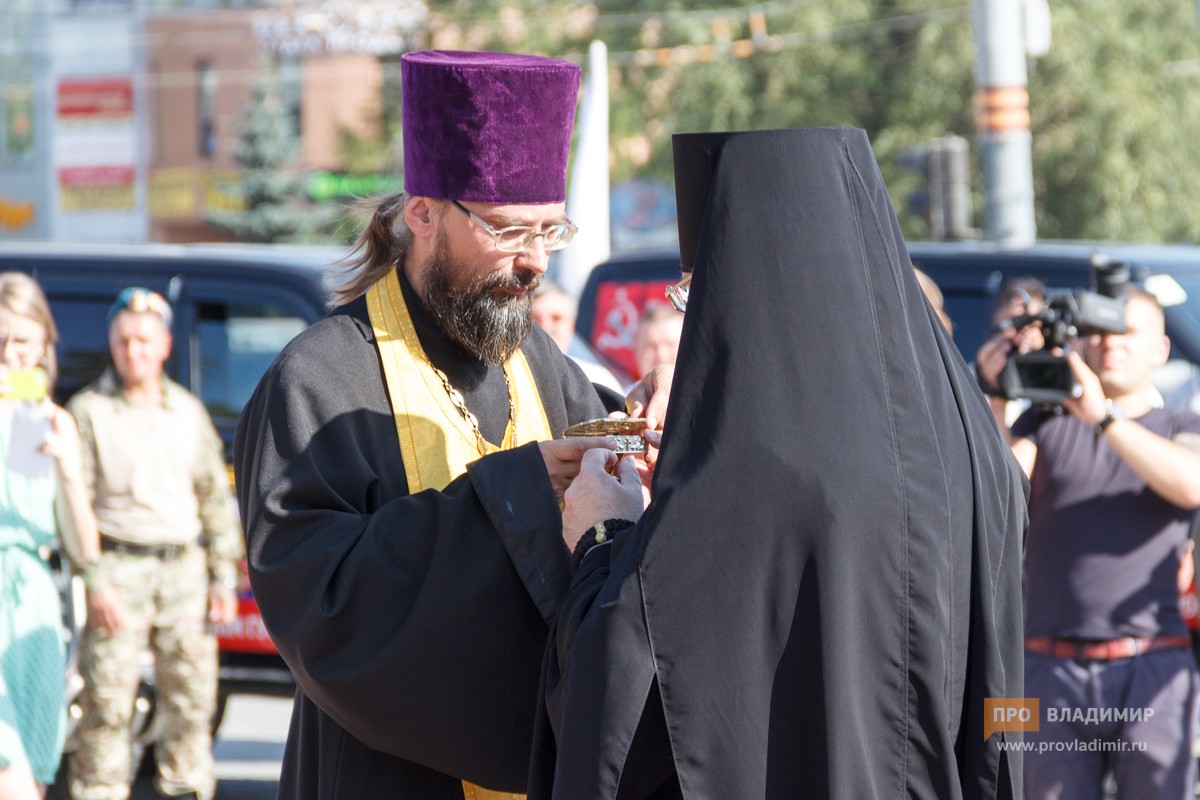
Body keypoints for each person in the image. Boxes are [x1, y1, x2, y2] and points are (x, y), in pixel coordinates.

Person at [529, 128, 1028, 798]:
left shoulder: (748, 471)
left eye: (694, 292)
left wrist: (603, 535)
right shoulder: (972, 439)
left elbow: (634, 697)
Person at [233, 50, 667, 799]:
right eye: (506, 231)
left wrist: (641, 430)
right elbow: (318, 607)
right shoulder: (318, 379)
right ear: (423, 213)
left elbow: (609, 524)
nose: (534, 263)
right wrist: (514, 495)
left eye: (548, 232)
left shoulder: (539, 358)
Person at [1009, 288, 1200, 799]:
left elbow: (1191, 483)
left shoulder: (1182, 425)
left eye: (1125, 332)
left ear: (1160, 349)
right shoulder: (1042, 422)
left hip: (1152, 664)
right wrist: (997, 389)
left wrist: (1104, 417)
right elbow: (993, 494)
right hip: (1041, 669)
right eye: (1096, 332)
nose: (1109, 343)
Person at [67, 287, 242, 800]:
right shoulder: (89, 411)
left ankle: (185, 788)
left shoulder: (188, 412)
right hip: (117, 570)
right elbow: (73, 506)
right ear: (111, 343)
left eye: (144, 340)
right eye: (123, 340)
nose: (133, 351)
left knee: (190, 703)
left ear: (164, 345)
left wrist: (222, 578)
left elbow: (213, 498)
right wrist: (94, 580)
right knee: (107, 705)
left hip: (183, 572)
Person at [0, 273, 98, 800]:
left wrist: (67, 468)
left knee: (33, 776)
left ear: (43, 344)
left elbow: (84, 548)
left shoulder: (52, 423)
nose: (8, 355)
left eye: (20, 341)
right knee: (8, 776)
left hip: (34, 609)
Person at [974, 277, 1047, 433]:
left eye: (1031, 325)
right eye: (1014, 324)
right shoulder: (967, 381)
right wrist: (994, 389)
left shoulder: (1057, 383)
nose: (1020, 337)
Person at [532, 281, 624, 392]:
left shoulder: (598, 379)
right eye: (535, 318)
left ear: (571, 325)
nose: (545, 326)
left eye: (556, 318)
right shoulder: (512, 373)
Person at [632, 303, 684, 382]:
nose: (661, 354)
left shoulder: (705, 393)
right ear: (637, 351)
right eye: (651, 346)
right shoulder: (622, 393)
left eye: (669, 344)